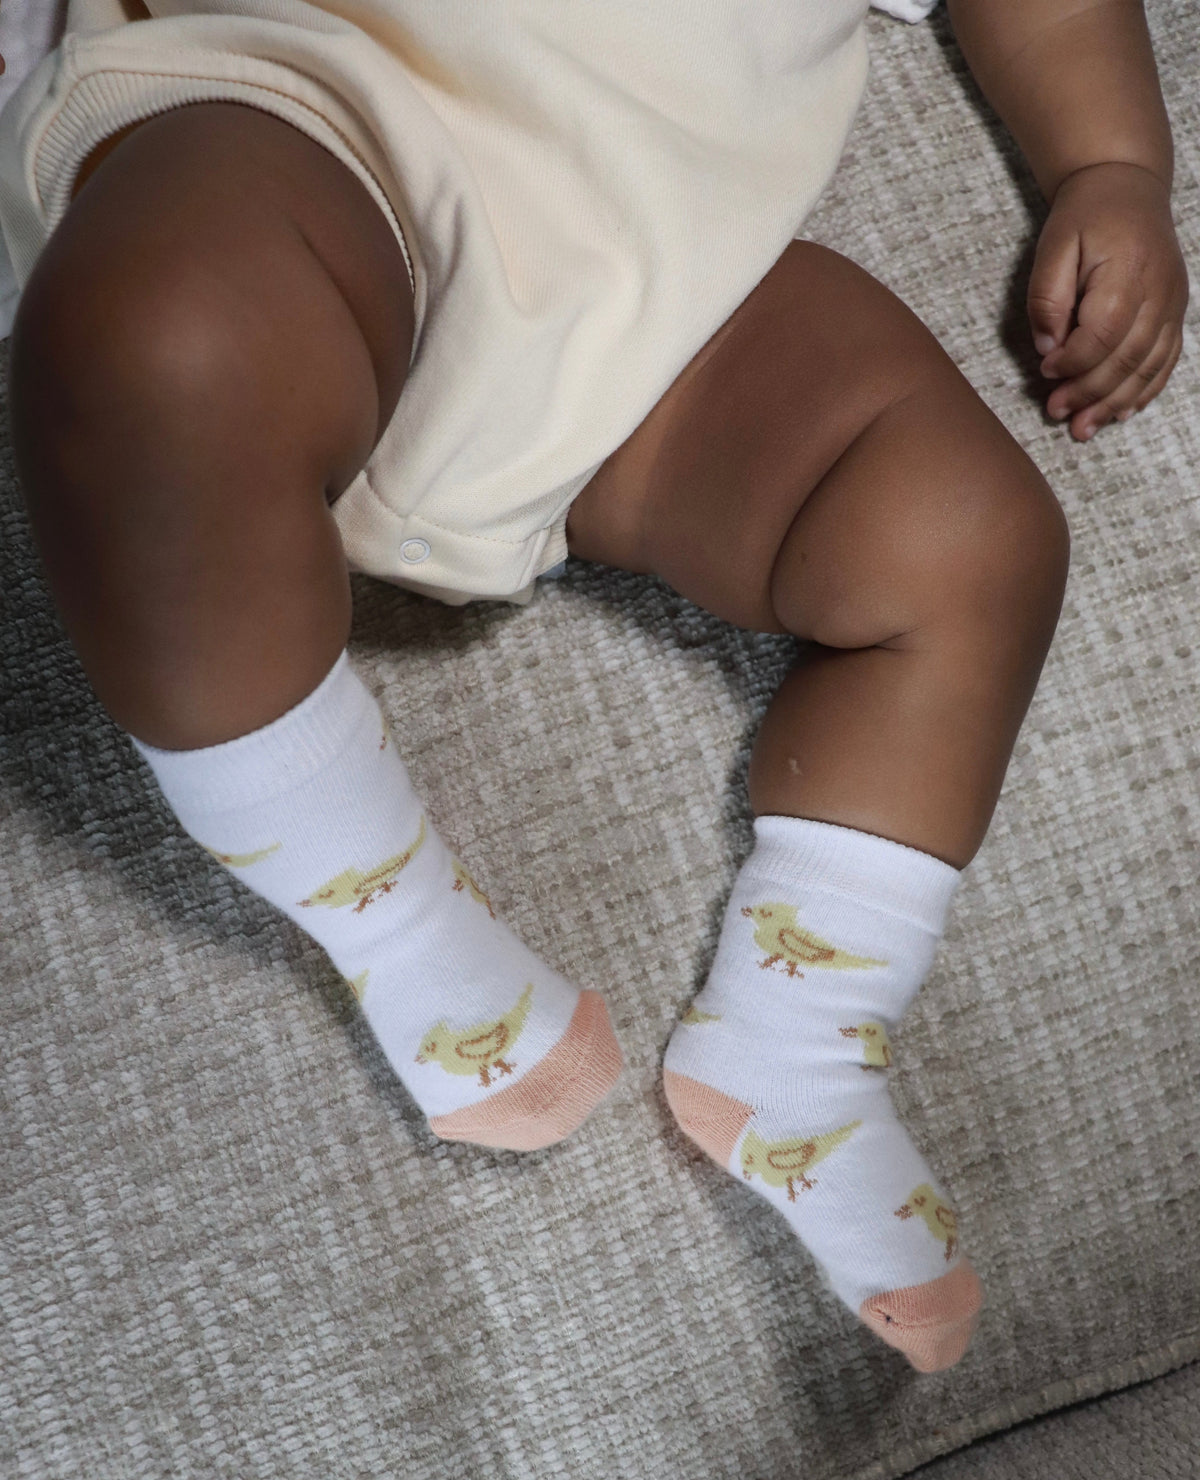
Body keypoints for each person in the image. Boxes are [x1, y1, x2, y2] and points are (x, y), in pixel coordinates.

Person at [0, 0, 1187, 1373]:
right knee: (165, 339)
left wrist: (1113, 167)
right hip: (315, 123)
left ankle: (800, 1036)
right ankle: (389, 918)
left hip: (669, 315)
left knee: (972, 538)